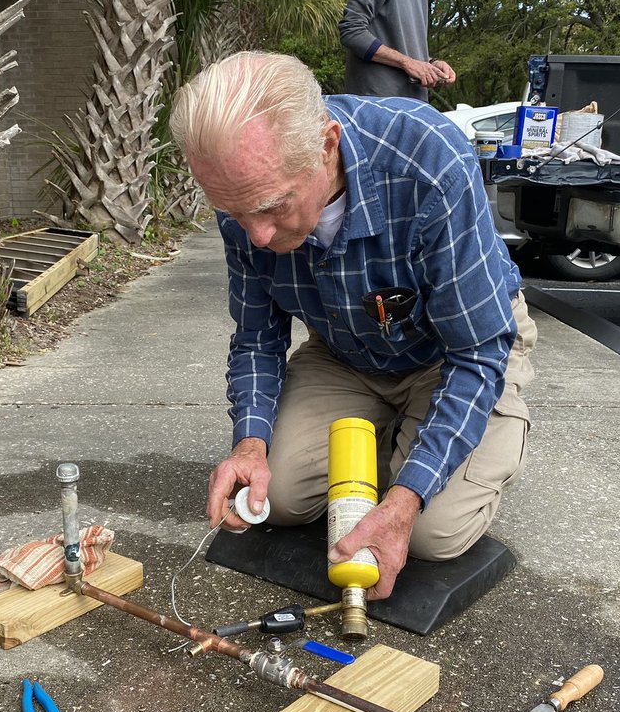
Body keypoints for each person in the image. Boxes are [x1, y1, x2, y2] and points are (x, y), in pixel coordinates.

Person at [169, 52, 534, 601]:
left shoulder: (430, 161)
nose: (258, 236)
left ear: (327, 144)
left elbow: (478, 353)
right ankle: (390, 431)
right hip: (344, 350)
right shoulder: (243, 192)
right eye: (235, 213)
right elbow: (256, 337)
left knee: (433, 535)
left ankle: (471, 432)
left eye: (272, 207)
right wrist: (249, 444)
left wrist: (407, 497)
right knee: (279, 501)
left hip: (452, 352)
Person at [338, 0, 456, 100]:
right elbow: (351, 31)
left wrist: (431, 64)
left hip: (412, 108)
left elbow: (406, 52)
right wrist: (406, 62)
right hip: (379, 106)